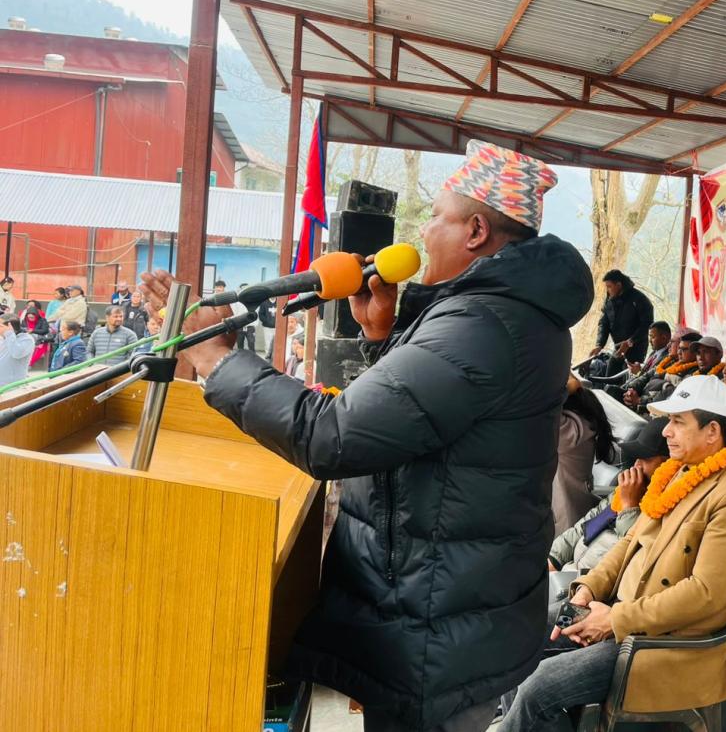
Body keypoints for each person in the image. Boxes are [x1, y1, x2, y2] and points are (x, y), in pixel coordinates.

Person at [139, 140, 593, 732]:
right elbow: (430, 418)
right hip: (456, 602)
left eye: (437, 216)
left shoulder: (482, 323)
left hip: (437, 619)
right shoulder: (507, 313)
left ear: (476, 230)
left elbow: (333, 437)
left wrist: (215, 356)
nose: (423, 231)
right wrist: (383, 336)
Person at [500, 376, 726, 731]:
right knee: (513, 643)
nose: (667, 431)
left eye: (678, 422)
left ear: (712, 431)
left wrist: (615, 619)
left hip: (659, 643)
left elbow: (706, 594)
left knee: (539, 686)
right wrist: (588, 589)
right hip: (619, 612)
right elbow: (629, 542)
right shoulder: (677, 475)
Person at [547, 418, 670, 576]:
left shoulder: (666, 506)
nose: (637, 465)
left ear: (668, 465)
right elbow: (585, 525)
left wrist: (629, 507)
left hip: (594, 581)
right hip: (570, 569)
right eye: (637, 458)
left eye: (646, 459)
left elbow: (635, 554)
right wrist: (554, 558)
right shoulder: (628, 490)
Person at [553, 376, 615, 534]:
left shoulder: (570, 430)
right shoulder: (582, 426)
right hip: (569, 513)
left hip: (565, 522)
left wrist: (570, 386)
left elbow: (541, 404)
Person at [591, 269, 653, 371]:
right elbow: (604, 323)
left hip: (636, 349)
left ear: (619, 285)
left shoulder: (639, 299)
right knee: (610, 374)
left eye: (609, 286)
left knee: (627, 377)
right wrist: (599, 345)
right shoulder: (609, 300)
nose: (607, 290)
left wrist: (630, 341)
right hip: (618, 347)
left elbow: (647, 325)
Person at [0, 314, 35, 388]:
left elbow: (16, 353)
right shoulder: (3, 338)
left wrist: (9, 334)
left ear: (10, 327)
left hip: (12, 387)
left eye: (0, 326)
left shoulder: (27, 339)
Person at [22, 301, 52, 368]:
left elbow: (45, 331)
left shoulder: (42, 320)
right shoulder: (24, 321)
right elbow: (21, 330)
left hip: (40, 339)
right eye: (29, 317)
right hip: (28, 340)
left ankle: (29, 364)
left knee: (40, 347)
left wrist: (33, 330)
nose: (30, 318)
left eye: (32, 317)